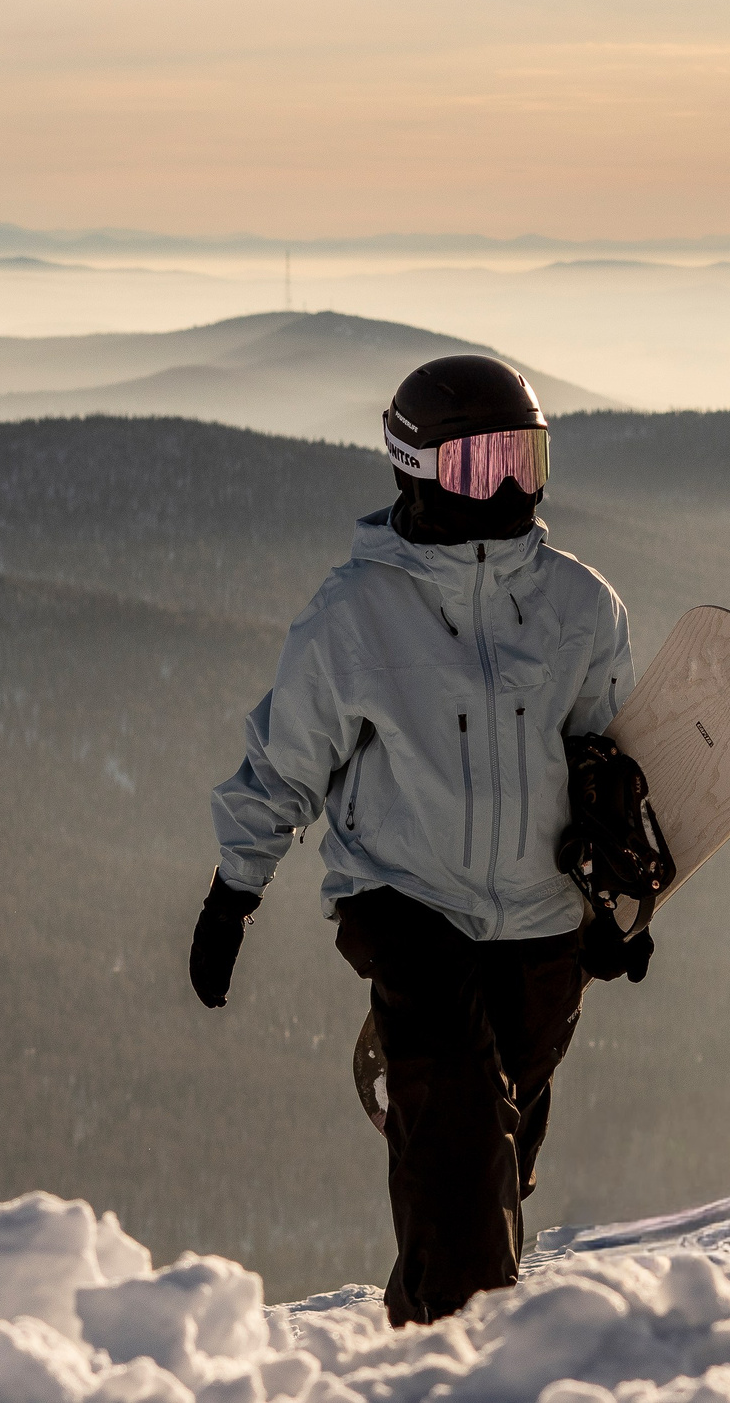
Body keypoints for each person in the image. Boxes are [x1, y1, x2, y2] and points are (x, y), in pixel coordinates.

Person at [186, 354, 648, 1326]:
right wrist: (233, 891)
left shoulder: (580, 606)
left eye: (526, 461)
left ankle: (421, 1321)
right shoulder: (356, 613)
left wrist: (613, 902)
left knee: (494, 1149)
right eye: (482, 468)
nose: (511, 488)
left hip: (537, 912)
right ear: (415, 469)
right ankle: (463, 1351)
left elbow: (604, 766)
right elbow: (284, 763)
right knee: (463, 1142)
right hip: (405, 897)